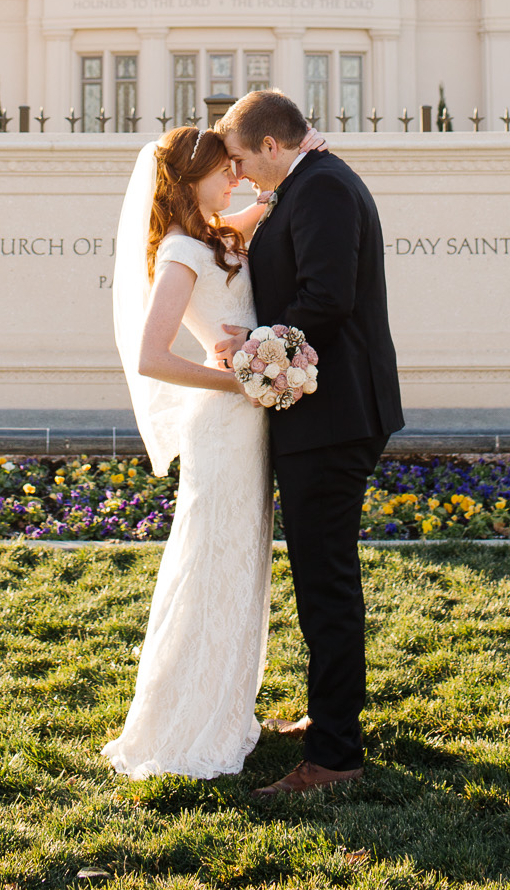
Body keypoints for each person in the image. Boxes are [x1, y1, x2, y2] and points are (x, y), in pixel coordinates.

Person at [103, 121, 323, 780]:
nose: (236, 177)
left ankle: (228, 705)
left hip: (246, 423)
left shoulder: (216, 234)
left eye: (236, 166)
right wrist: (234, 378)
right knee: (212, 565)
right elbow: (151, 356)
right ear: (190, 178)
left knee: (239, 566)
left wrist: (303, 151)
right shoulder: (180, 251)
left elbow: (269, 200)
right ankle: (182, 722)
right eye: (224, 169)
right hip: (221, 426)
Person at [214, 88, 403, 796]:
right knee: (321, 580)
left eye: (238, 158)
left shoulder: (321, 187)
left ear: (270, 145)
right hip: (327, 417)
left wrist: (251, 346)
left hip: (335, 418)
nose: (236, 174)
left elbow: (325, 301)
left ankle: (334, 759)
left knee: (325, 584)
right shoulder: (310, 181)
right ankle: (330, 721)